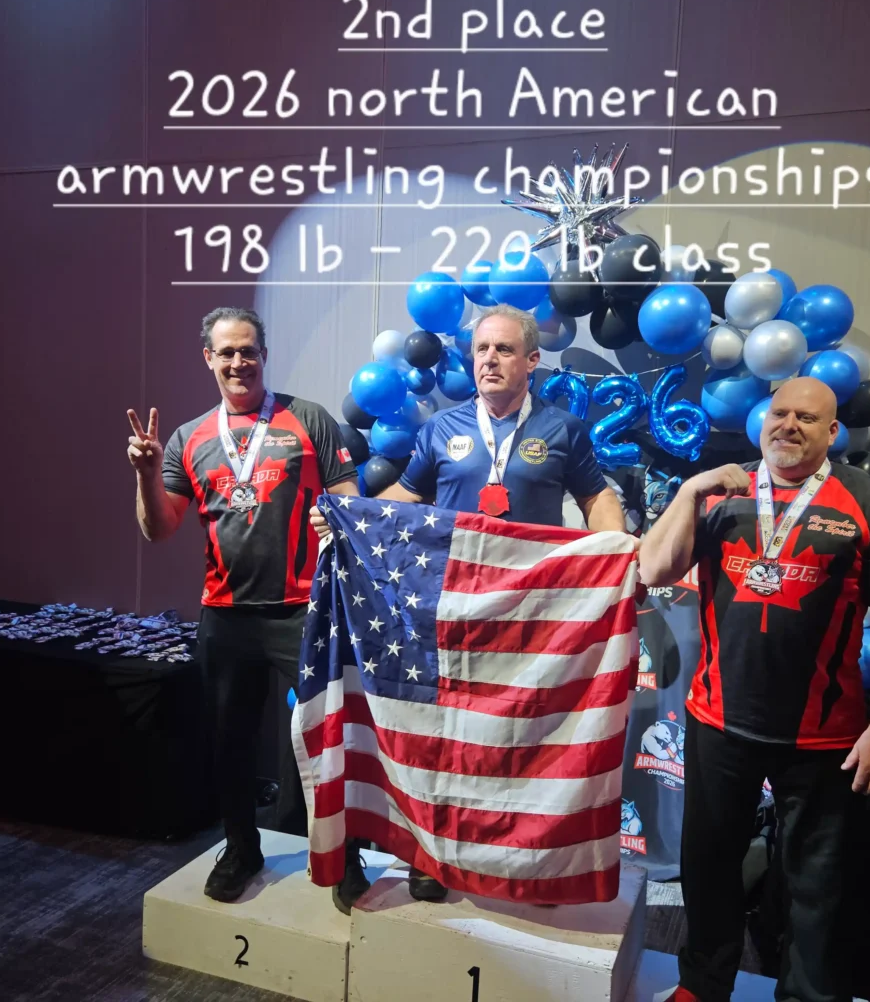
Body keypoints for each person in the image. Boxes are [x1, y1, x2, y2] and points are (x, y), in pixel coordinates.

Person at [311, 303, 627, 905]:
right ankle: (434, 857)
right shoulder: (440, 429)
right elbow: (404, 499)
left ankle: (528, 861)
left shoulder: (562, 428)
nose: (490, 360)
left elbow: (596, 500)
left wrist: (618, 549)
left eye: (504, 350)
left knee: (523, 737)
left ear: (531, 361)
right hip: (452, 615)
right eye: (482, 349)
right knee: (448, 738)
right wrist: (347, 518)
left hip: (531, 616)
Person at [636, 376, 870, 1002]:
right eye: (780, 413)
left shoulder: (868, 503)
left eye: (807, 418)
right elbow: (653, 568)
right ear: (763, 421)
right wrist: (688, 490)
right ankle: (701, 985)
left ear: (832, 431)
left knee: (818, 886)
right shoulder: (722, 492)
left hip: (824, 734)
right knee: (708, 868)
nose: (789, 426)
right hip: (718, 721)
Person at [127, 306, 358, 903]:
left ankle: (346, 854)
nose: (238, 362)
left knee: (333, 737)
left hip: (305, 610)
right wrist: (147, 474)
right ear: (208, 358)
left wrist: (334, 518)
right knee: (229, 742)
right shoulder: (188, 438)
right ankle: (240, 847)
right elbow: (159, 528)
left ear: (264, 355)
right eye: (226, 352)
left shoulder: (308, 419)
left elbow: (350, 500)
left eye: (248, 350)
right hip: (226, 615)